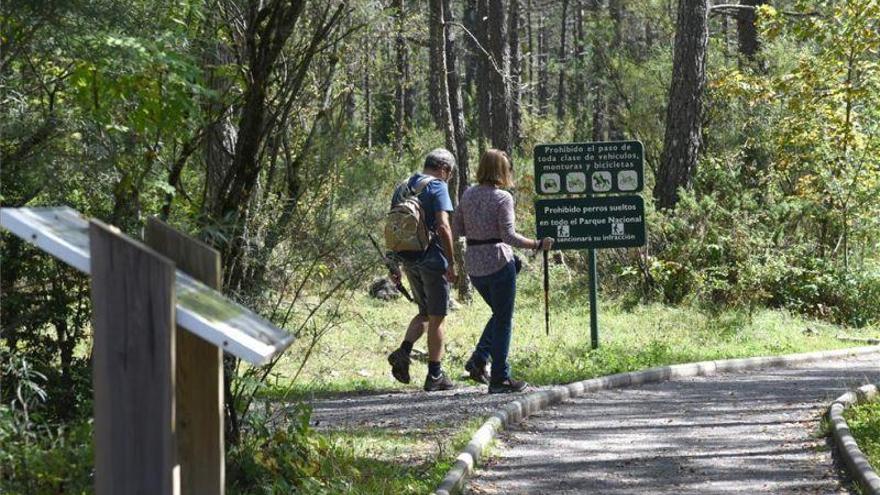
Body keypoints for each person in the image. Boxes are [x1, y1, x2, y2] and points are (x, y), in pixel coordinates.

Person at [452, 149, 554, 393]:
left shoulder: (467, 195)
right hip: (498, 263)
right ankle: (500, 377)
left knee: (499, 315)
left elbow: (458, 228)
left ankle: (479, 360)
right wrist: (537, 244)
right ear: (501, 170)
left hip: (475, 265)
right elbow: (508, 236)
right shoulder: (502, 198)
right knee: (504, 320)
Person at [386, 148, 459, 392]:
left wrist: (392, 264)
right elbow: (443, 227)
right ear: (444, 169)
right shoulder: (437, 186)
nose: (448, 178)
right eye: (449, 174)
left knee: (425, 313)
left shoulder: (404, 185)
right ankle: (435, 375)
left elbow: (393, 227)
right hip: (432, 259)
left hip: (408, 258)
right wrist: (451, 262)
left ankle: (403, 352)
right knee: (438, 317)